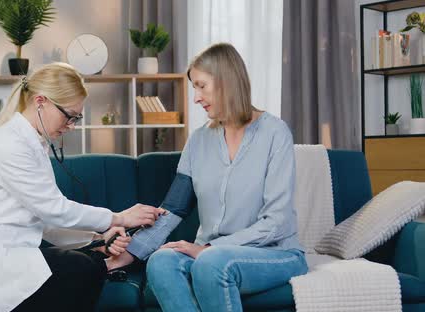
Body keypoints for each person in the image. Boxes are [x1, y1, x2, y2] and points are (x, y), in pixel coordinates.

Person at [0, 62, 165, 312]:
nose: (71, 125)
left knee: (78, 267)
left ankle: (104, 263)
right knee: (77, 268)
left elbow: (47, 224)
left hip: (13, 257)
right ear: (41, 101)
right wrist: (119, 218)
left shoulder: (35, 144)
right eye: (69, 115)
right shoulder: (7, 142)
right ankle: (110, 265)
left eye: (77, 118)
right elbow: (53, 210)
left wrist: (98, 238)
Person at [115, 43, 309, 312]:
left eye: (201, 86)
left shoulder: (275, 133)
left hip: (274, 252)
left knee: (211, 262)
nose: (195, 97)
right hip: (210, 252)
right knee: (161, 261)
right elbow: (173, 209)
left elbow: (276, 222)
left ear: (227, 82)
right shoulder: (198, 140)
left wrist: (209, 247)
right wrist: (128, 253)